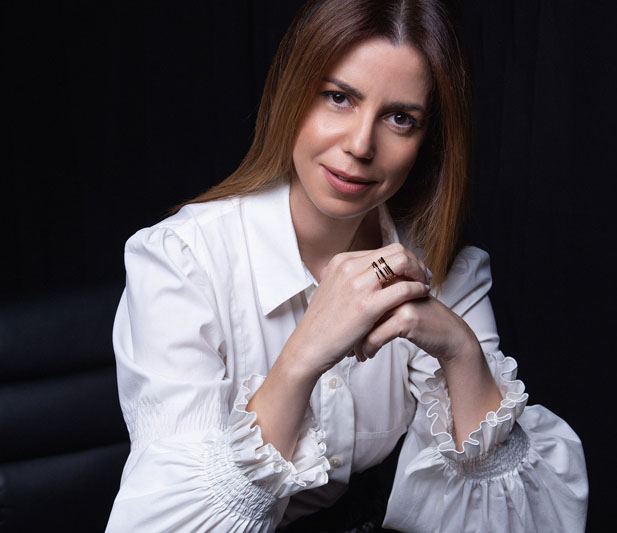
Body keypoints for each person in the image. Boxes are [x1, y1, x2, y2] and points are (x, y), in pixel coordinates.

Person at [106, 0, 588, 531]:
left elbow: (528, 523)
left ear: (427, 142)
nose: (360, 145)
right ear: (292, 95)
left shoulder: (443, 268)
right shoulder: (180, 262)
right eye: (339, 98)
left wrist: (461, 352)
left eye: (400, 118)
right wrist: (303, 357)